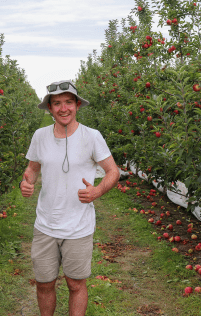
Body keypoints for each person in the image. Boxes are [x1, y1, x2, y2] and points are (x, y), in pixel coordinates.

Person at [20, 80, 119, 316]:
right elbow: (32, 169)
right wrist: (28, 182)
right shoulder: (40, 136)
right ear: (50, 108)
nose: (63, 109)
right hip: (45, 225)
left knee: (75, 284)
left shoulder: (92, 137)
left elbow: (113, 171)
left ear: (76, 105)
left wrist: (97, 191)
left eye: (68, 102)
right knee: (44, 283)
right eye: (57, 104)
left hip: (79, 226)